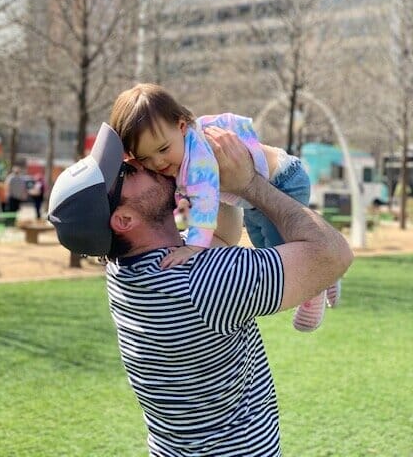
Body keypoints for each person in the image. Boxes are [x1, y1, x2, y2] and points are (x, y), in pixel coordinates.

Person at [47, 122, 353, 457]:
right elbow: (333, 254)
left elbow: (220, 240)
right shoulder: (201, 282)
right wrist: (250, 184)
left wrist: (210, 170)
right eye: (125, 172)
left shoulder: (127, 272)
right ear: (123, 221)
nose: (138, 162)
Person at [109, 82, 338, 332]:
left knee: (285, 251)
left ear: (182, 127)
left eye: (163, 149)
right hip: (253, 202)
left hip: (284, 181)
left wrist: (193, 246)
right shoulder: (175, 153)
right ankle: (329, 274)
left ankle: (314, 288)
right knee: (262, 242)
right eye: (145, 158)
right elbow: (184, 195)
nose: (158, 161)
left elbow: (205, 199)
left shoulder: (198, 157)